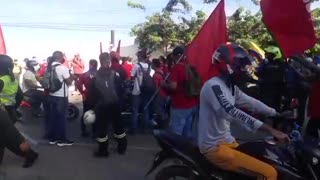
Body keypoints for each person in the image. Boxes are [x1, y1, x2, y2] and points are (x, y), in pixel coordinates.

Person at [198, 44, 290, 180]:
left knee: (270, 158)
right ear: (227, 66)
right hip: (215, 148)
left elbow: (252, 103)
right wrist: (271, 130)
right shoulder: (214, 86)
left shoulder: (231, 87)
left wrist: (277, 113)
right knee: (269, 174)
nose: (244, 70)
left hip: (229, 142)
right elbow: (232, 113)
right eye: (240, 66)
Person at [87, 52, 127, 157]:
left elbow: (91, 93)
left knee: (102, 129)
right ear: (109, 61)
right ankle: (122, 148)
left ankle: (103, 151)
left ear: (100, 61)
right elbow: (121, 90)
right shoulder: (116, 74)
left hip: (101, 106)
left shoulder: (94, 76)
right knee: (118, 127)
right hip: (115, 104)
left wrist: (92, 106)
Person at [161, 47, 199, 138]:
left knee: (176, 133)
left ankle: (175, 151)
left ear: (174, 56)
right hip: (192, 103)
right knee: (187, 131)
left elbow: (173, 86)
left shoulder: (177, 68)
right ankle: (186, 150)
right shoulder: (190, 67)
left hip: (180, 105)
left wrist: (164, 84)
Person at [47, 51, 74, 146]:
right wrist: (72, 77)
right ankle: (62, 140)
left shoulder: (49, 67)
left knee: (53, 117)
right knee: (62, 118)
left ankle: (53, 139)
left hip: (51, 95)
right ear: (61, 58)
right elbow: (69, 82)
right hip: (61, 97)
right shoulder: (63, 68)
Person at [130, 49, 155, 134]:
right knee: (145, 109)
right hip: (147, 91)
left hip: (137, 91)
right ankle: (145, 128)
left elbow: (132, 77)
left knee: (135, 110)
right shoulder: (149, 66)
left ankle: (134, 128)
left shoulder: (136, 66)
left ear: (140, 57)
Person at [256, 46, 286, 112]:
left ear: (273, 55)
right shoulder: (282, 63)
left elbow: (259, 72)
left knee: (267, 105)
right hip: (277, 88)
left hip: (268, 88)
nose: (265, 54)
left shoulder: (265, 63)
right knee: (276, 105)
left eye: (267, 53)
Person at [0, 55, 24, 124]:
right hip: (11, 112)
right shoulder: (13, 80)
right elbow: (20, 96)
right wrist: (14, 108)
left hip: (2, 114)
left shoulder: (1, 81)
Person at [78, 59, 98, 137]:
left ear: (89, 65)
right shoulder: (99, 74)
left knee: (86, 113)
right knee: (96, 113)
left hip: (87, 96)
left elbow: (78, 84)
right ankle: (94, 131)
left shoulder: (84, 74)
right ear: (97, 65)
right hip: (96, 97)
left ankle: (84, 131)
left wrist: (82, 93)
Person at [151, 58, 168, 129]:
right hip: (164, 94)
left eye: (152, 63)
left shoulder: (155, 75)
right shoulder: (161, 72)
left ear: (154, 65)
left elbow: (156, 87)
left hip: (159, 94)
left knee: (159, 110)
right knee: (161, 109)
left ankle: (163, 125)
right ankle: (161, 124)